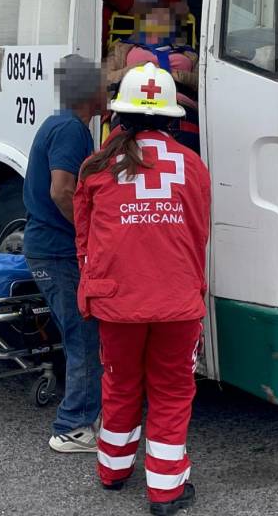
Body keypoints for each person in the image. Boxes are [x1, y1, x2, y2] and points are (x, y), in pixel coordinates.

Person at [74, 64, 211, 515]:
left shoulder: (95, 168)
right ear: (173, 120)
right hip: (176, 302)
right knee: (172, 391)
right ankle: (166, 491)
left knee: (120, 384)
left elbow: (85, 240)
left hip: (117, 303)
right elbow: (198, 234)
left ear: (119, 117)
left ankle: (113, 471)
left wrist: (96, 288)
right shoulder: (192, 167)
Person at [23, 54, 106, 454]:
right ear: (90, 92)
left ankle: (84, 414)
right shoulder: (72, 130)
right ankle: (73, 427)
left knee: (81, 334)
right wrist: (90, 236)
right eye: (104, 84)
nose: (109, 90)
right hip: (56, 252)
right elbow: (61, 190)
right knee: (84, 336)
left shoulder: (63, 123)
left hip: (47, 248)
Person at [103, 7, 200, 153]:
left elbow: (206, 83)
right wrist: (140, 69)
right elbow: (105, 79)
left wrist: (173, 75)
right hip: (130, 106)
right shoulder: (122, 48)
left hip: (180, 107)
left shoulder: (189, 53)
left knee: (183, 148)